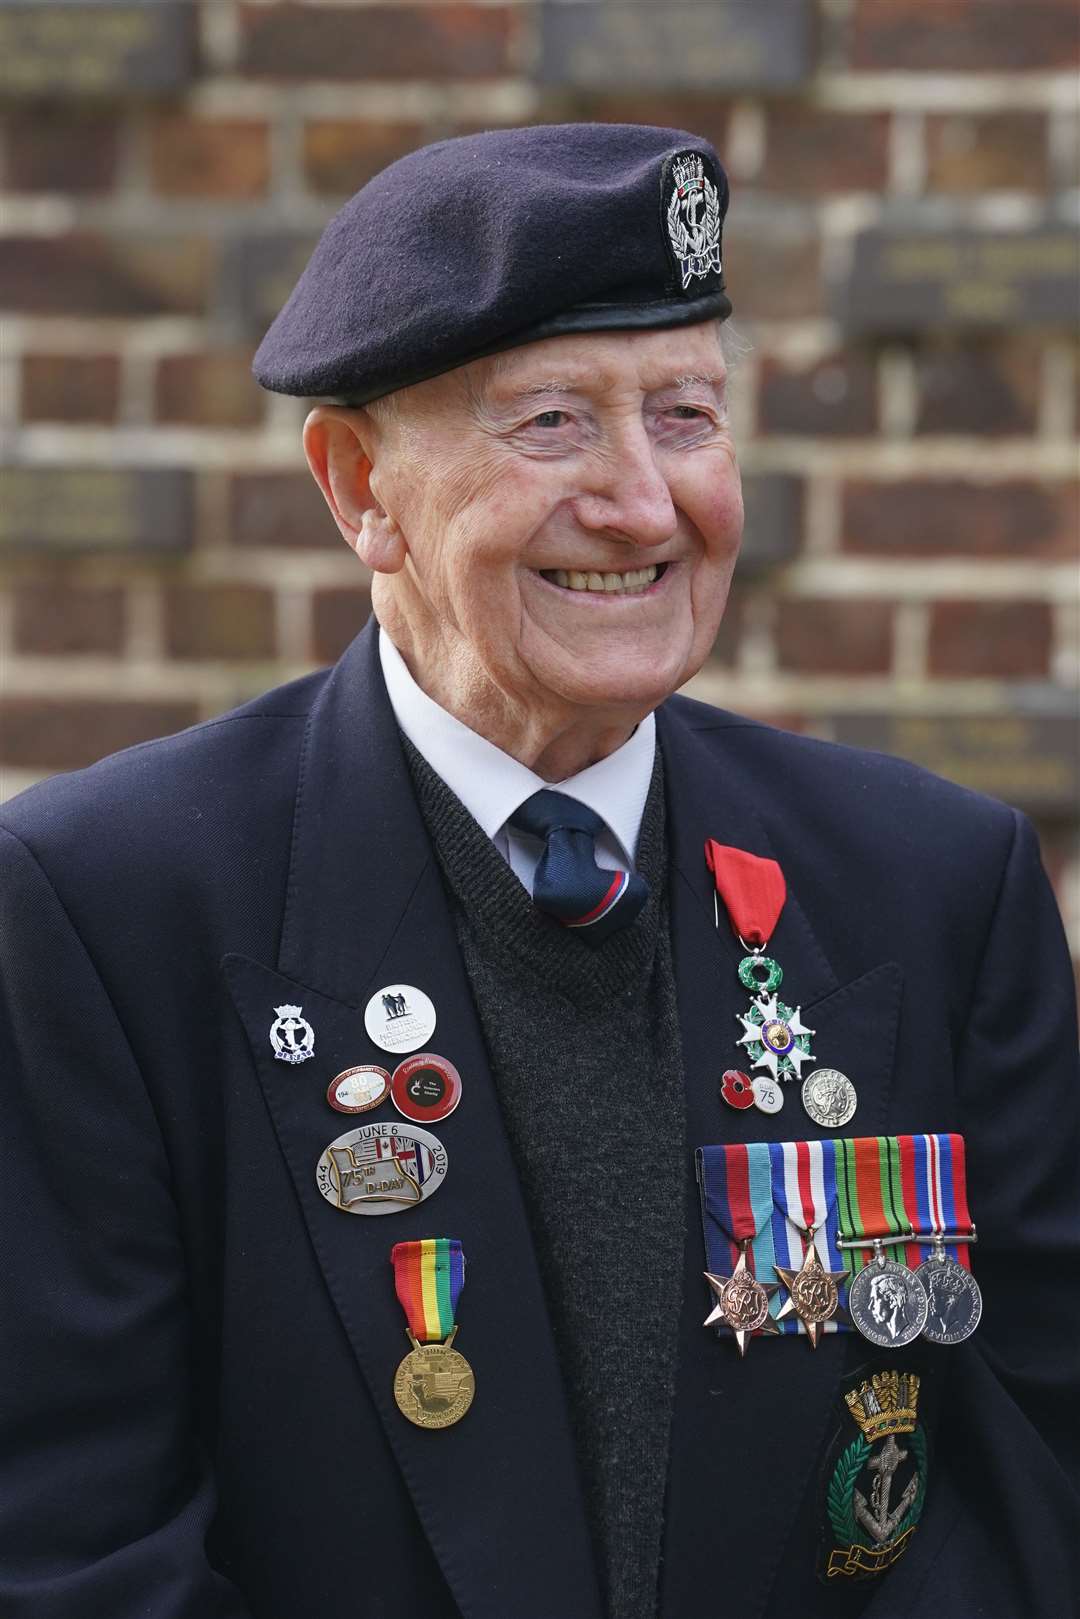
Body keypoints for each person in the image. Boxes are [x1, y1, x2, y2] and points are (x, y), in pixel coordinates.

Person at [0, 123, 1076, 1619]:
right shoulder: (110, 906)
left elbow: (1034, 1473)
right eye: (554, 423)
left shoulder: (935, 885)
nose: (644, 502)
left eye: (687, 415)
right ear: (358, 485)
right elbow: (70, 1544)